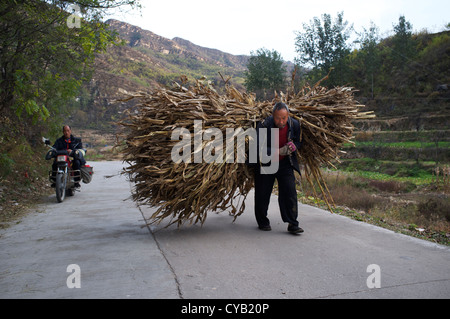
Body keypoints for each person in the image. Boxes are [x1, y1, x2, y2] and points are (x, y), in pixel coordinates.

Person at [254, 102, 304, 234]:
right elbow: (258, 148)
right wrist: (278, 151)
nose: (281, 121)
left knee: (290, 191)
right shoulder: (264, 125)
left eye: (284, 118)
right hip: (266, 163)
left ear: (288, 116)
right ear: (272, 115)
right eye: (277, 118)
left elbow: (298, 142)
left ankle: (293, 223)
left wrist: (294, 146)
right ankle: (262, 221)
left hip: (285, 164)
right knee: (262, 193)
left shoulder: (294, 125)